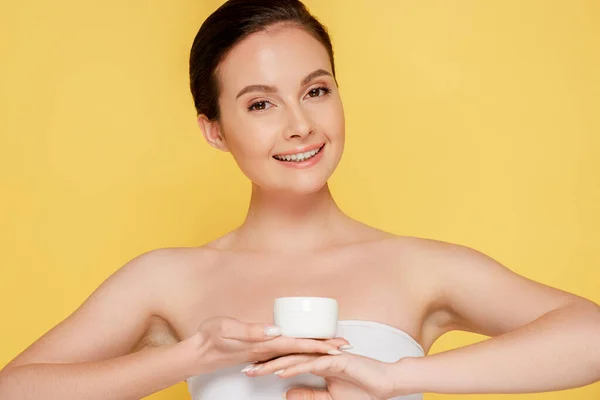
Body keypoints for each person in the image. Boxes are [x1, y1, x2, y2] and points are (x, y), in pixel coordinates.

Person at [1, 0, 599, 399]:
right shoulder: (167, 278)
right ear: (213, 129)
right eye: (260, 103)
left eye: (315, 90)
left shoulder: (421, 266)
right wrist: (191, 356)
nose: (299, 125)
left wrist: (395, 377)